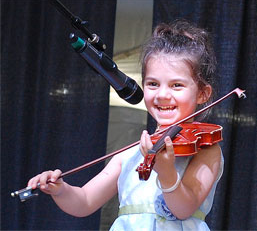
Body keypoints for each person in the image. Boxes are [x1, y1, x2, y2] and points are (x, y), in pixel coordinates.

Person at [27, 20, 223, 230]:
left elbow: (183, 209)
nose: (163, 95)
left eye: (177, 85)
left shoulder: (206, 150)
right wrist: (61, 190)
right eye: (153, 84)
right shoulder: (129, 154)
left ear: (203, 93)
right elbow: (84, 202)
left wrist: (166, 173)